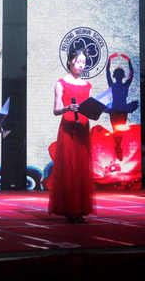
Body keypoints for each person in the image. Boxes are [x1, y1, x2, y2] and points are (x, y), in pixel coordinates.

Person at [49, 48, 96, 223]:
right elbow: (56, 110)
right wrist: (67, 108)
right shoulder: (61, 83)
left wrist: (96, 111)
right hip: (68, 127)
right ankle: (70, 209)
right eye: (78, 62)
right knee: (70, 167)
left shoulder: (87, 85)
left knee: (82, 167)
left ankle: (81, 209)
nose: (81, 65)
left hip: (83, 127)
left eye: (84, 62)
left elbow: (90, 108)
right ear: (70, 61)